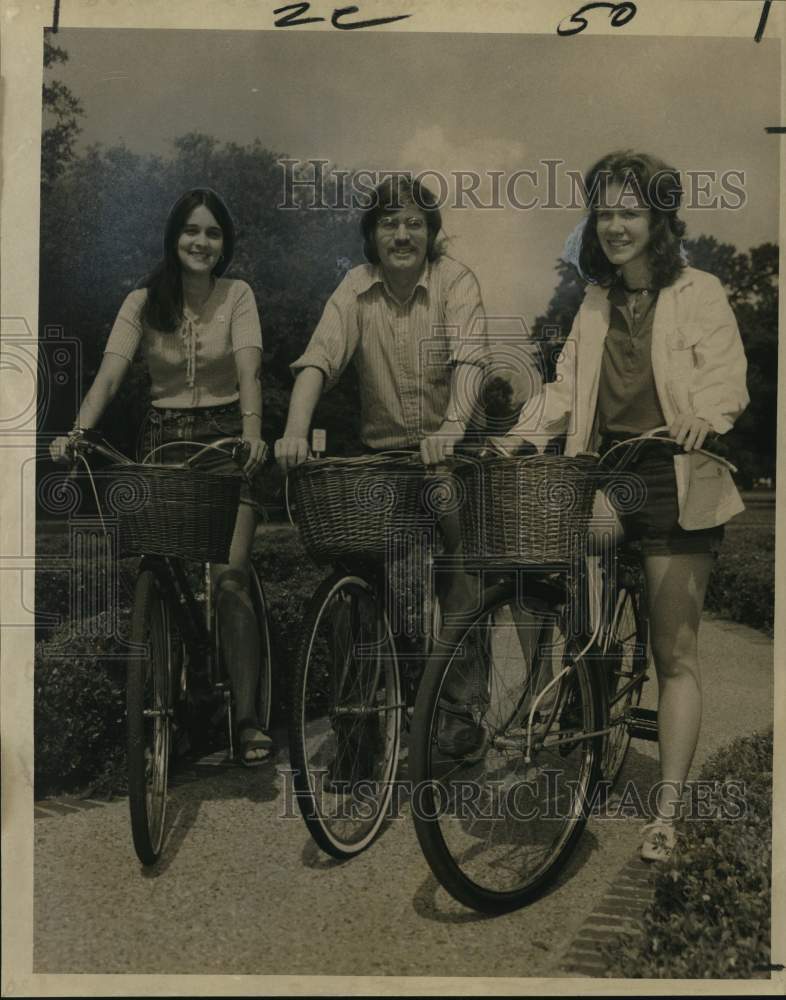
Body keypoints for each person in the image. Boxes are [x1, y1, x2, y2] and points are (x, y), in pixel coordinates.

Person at [501, 151, 749, 860]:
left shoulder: (699, 291)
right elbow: (565, 390)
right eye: (604, 212)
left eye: (629, 212)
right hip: (608, 475)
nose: (614, 226)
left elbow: (727, 375)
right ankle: (586, 700)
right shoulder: (595, 302)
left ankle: (666, 814)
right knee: (579, 605)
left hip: (675, 474)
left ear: (659, 219)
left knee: (676, 653)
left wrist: (707, 413)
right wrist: (513, 440)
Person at [50, 188, 271, 766]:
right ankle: (175, 698)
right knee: (162, 577)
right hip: (163, 442)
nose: (201, 243)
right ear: (174, 237)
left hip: (227, 438)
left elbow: (250, 370)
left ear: (225, 244)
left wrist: (253, 434)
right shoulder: (143, 302)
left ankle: (246, 718)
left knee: (229, 579)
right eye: (191, 231)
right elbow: (109, 376)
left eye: (213, 233)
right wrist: (76, 432)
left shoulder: (238, 295)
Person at [275, 175, 489, 756]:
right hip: (384, 460)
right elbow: (318, 361)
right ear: (371, 234)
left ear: (431, 234)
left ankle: (460, 710)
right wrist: (295, 431)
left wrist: (450, 430)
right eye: (389, 223)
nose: (402, 234)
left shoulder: (455, 281)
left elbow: (471, 361)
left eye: (414, 223)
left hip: (451, 449)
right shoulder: (355, 286)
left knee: (457, 568)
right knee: (356, 579)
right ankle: (358, 725)